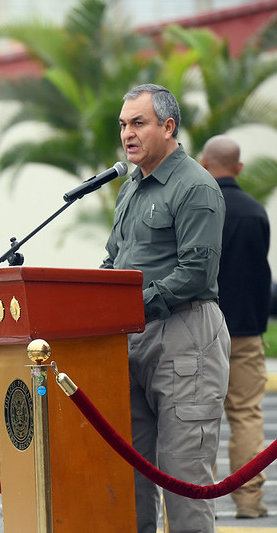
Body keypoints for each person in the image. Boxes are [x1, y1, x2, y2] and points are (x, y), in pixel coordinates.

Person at [102, 84, 229, 533]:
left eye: (138, 123)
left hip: (184, 334)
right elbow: (114, 260)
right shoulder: (130, 187)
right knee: (132, 473)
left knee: (183, 476)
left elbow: (196, 270)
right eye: (123, 125)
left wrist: (131, 306)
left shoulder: (195, 186)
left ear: (168, 126)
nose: (127, 134)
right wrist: (94, 299)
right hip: (131, 337)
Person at [200, 135, 270, 519]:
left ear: (204, 163)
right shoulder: (256, 211)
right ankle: (250, 501)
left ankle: (198, 503)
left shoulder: (198, 206)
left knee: (196, 416)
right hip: (244, 332)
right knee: (246, 414)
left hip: (200, 331)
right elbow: (261, 276)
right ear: (239, 167)